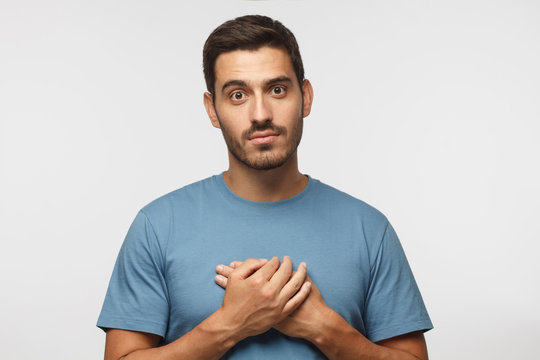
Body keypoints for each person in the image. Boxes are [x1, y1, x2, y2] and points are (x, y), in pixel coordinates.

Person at [97, 15, 433, 360]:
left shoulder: (369, 228)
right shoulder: (157, 226)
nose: (260, 114)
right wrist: (230, 324)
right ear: (213, 110)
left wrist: (324, 327)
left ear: (305, 96)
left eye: (277, 90)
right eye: (238, 94)